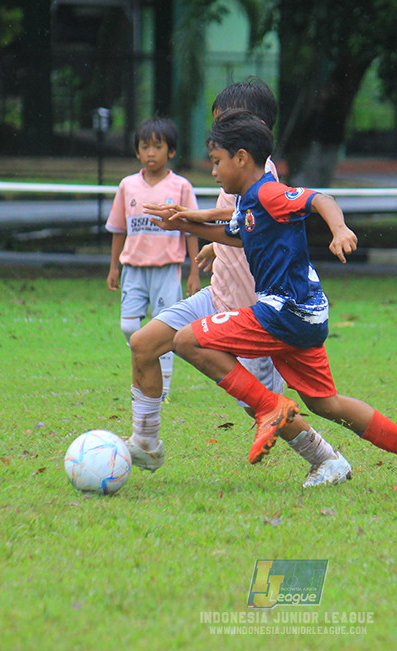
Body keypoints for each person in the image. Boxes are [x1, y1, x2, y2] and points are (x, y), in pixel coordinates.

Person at [149, 109, 397, 490]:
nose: (214, 171)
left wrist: (339, 229)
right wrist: (180, 223)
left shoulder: (269, 192)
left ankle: (269, 406)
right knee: (325, 403)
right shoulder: (250, 200)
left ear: (241, 158)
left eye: (217, 162)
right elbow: (236, 235)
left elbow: (321, 198)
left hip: (283, 311)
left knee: (186, 340)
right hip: (305, 315)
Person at [126, 79, 352, 489]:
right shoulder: (238, 175)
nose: (218, 141)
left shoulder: (263, 182)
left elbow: (256, 228)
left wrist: (190, 221)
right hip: (217, 297)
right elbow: (234, 225)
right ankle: (145, 443)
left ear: (255, 130)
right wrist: (210, 241)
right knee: (144, 342)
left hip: (255, 316)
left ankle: (328, 459)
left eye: (227, 126)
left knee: (261, 409)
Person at [105, 117, 200, 400]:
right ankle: (143, 364)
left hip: (166, 269)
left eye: (157, 147)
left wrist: (194, 271)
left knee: (165, 328)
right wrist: (114, 266)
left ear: (170, 151)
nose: (150, 153)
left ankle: (163, 388)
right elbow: (118, 228)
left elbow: (191, 230)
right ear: (136, 151)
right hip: (133, 268)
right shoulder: (127, 186)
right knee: (129, 326)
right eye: (144, 147)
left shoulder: (181, 186)